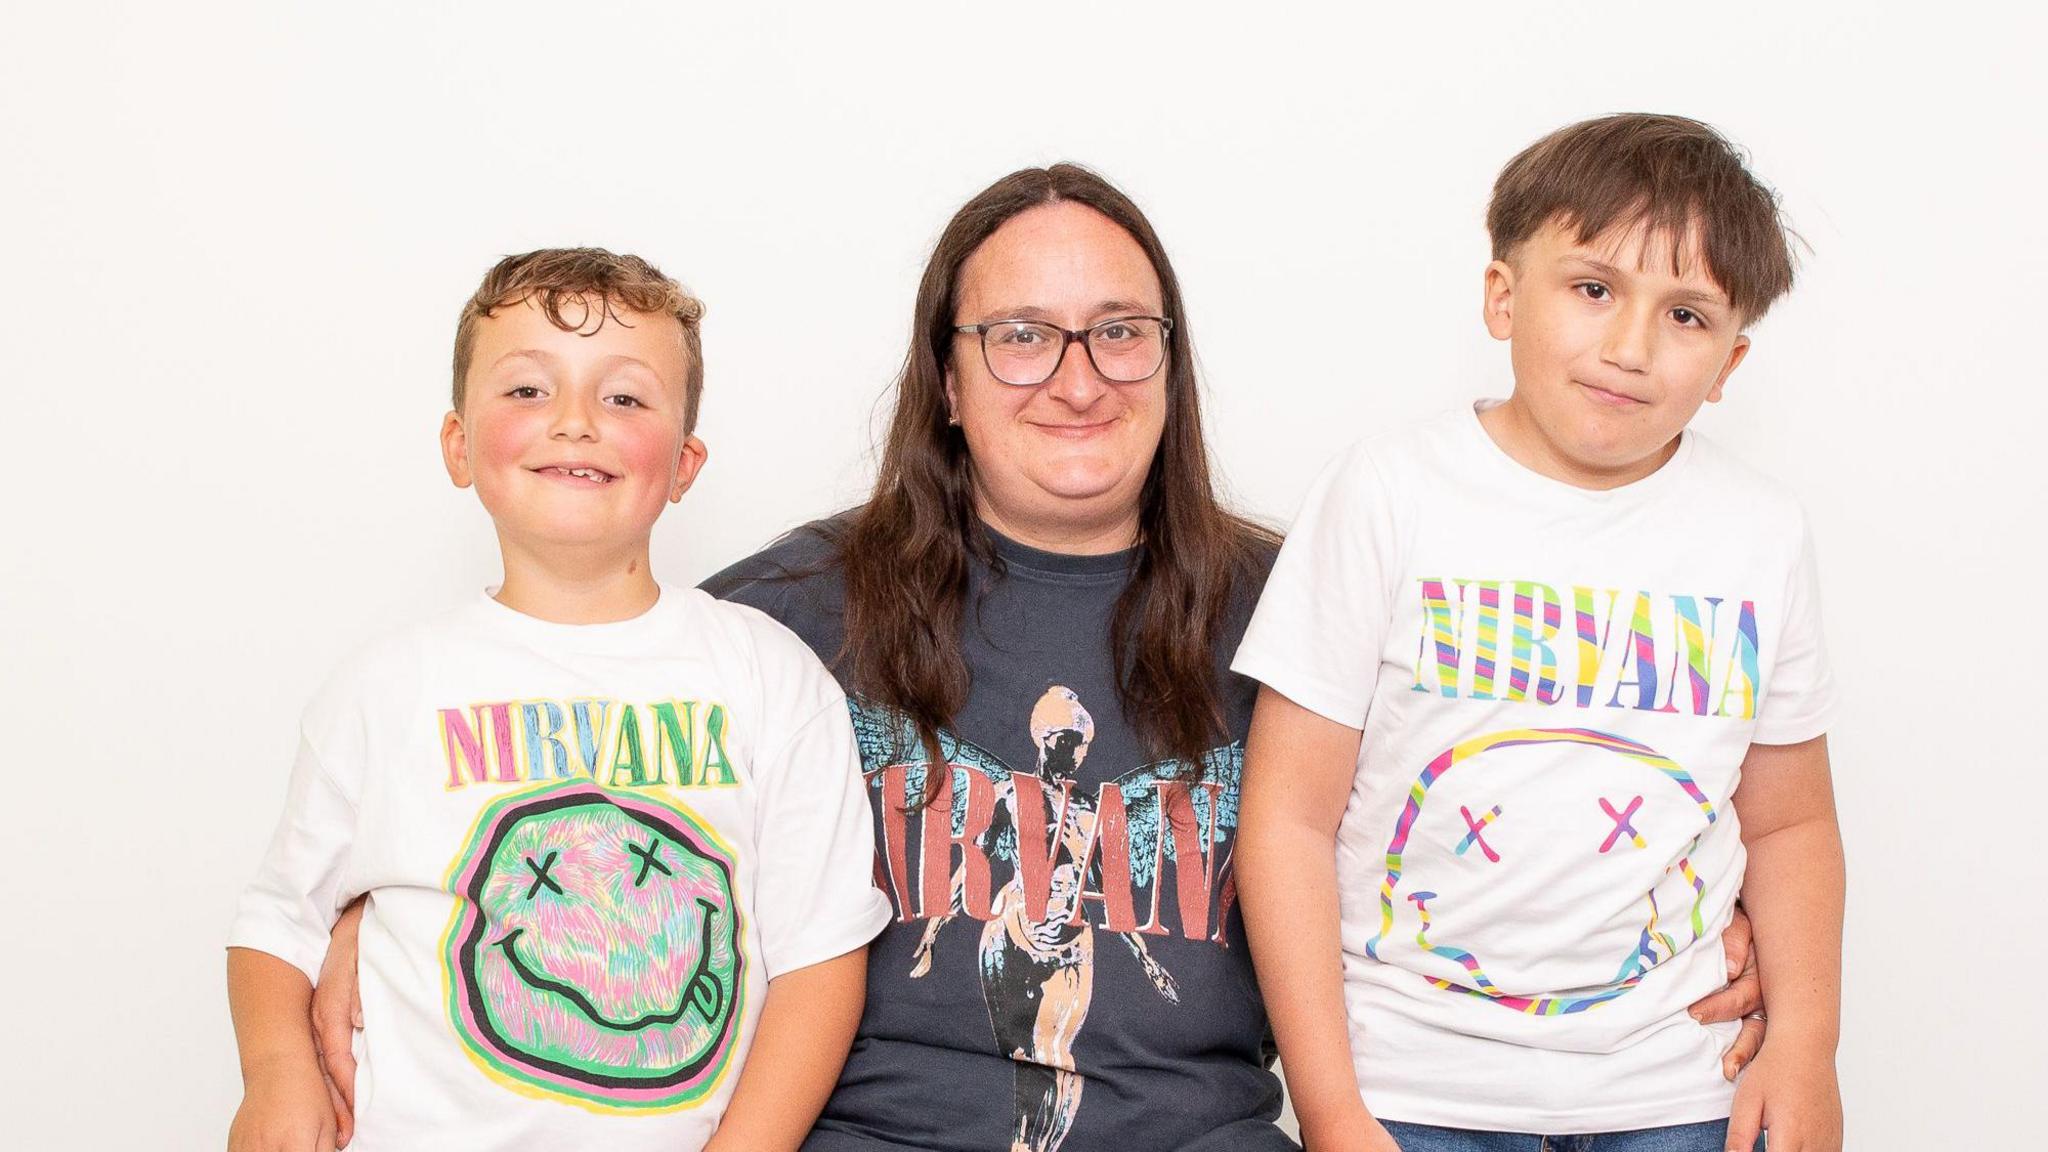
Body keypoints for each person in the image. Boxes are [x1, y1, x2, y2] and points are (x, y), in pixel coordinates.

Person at [310, 167, 1770, 1152]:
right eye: (1019, 336)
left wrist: (1690, 921)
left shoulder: (1314, 600)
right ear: (944, 378)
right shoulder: (780, 619)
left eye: (1120, 333)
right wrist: (359, 932)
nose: (1076, 377)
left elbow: (1510, 798)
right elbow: (568, 767)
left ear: (1172, 361)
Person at [1234, 114, 1843, 1152]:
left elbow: (1789, 824)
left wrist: (1805, 1050)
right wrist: (1329, 1103)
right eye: (1592, 288)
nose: (1629, 347)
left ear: (1730, 362)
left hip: (1675, 1087)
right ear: (1501, 296)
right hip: (1412, 1086)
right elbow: (1287, 816)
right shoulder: (1388, 494)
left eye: (1685, 314)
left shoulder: (1758, 536)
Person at [224, 249, 891, 1152]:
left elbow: (820, 956)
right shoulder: (385, 689)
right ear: (459, 445)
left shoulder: (770, 679)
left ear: (686, 462)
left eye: (624, 398)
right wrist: (276, 1072)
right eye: (529, 391)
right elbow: (279, 920)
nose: (575, 424)